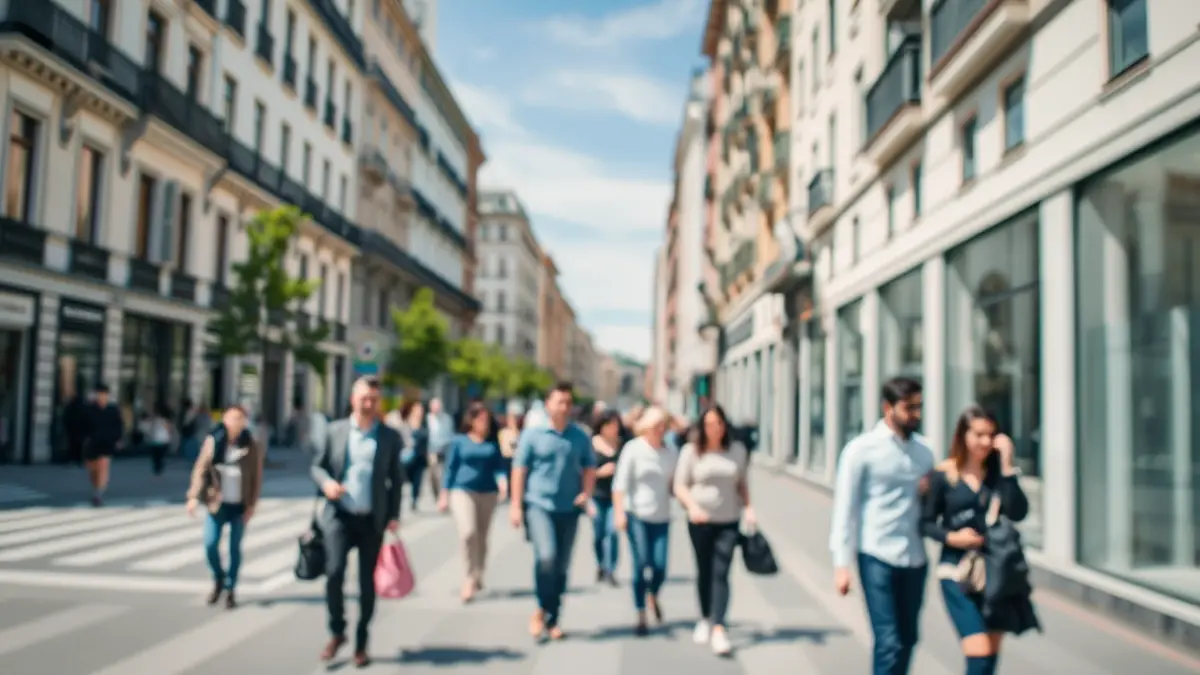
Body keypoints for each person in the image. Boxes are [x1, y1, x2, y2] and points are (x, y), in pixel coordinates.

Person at [829, 377, 934, 675]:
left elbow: (933, 508)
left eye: (919, 407)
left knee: (908, 639)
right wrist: (841, 564)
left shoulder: (925, 452)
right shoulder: (861, 450)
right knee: (888, 641)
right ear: (887, 407)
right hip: (876, 555)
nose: (915, 414)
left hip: (914, 557)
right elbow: (845, 508)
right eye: (908, 407)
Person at [922, 406, 1038, 675]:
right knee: (979, 649)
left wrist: (1008, 465)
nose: (986, 442)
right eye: (979, 435)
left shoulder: (998, 476)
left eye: (991, 435)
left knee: (991, 652)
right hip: (957, 573)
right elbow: (925, 522)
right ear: (963, 435)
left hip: (996, 574)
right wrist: (952, 537)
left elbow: (1018, 511)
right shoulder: (944, 475)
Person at [311, 377, 404, 668]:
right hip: (339, 515)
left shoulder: (389, 437)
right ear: (353, 399)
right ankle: (337, 631)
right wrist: (326, 483)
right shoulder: (335, 431)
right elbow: (317, 465)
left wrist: (393, 516)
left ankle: (361, 641)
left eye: (374, 400)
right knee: (334, 572)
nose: (368, 404)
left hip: (371, 520)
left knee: (367, 584)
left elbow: (396, 480)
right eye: (364, 398)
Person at [509, 382, 596, 640]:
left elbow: (590, 466)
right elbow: (519, 470)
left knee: (561, 566)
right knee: (546, 557)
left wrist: (586, 493)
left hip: (569, 508)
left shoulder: (579, 436)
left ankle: (553, 617)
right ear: (548, 404)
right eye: (560, 401)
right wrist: (516, 505)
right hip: (539, 506)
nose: (565, 407)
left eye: (568, 402)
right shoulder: (533, 435)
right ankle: (540, 607)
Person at [673, 403, 754, 656]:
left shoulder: (737, 451)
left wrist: (749, 507)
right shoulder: (691, 452)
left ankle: (719, 626)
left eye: (718, 423)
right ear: (702, 427)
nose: (714, 429)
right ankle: (705, 617)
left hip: (728, 520)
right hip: (700, 521)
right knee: (704, 570)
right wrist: (693, 506)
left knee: (721, 571)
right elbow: (680, 486)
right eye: (709, 424)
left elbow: (741, 483)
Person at [185, 405, 263, 608]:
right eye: (232, 418)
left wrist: (252, 505)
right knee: (210, 544)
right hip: (216, 503)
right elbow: (201, 468)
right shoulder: (214, 440)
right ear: (225, 420)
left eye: (240, 418)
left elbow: (256, 476)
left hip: (239, 503)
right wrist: (193, 496)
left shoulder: (250, 444)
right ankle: (218, 578)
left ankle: (230, 588)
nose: (236, 422)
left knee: (234, 548)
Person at [613, 406, 678, 636]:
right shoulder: (633, 449)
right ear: (648, 427)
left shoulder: (670, 452)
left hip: (661, 516)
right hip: (637, 514)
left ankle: (653, 594)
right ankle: (641, 613)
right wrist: (620, 513)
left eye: (664, 426)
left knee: (659, 566)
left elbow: (674, 484)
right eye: (657, 426)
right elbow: (620, 484)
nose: (661, 430)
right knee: (641, 564)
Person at [439, 402, 508, 602]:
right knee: (468, 533)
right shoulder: (459, 441)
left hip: (488, 493)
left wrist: (503, 483)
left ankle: (479, 572)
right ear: (471, 420)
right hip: (462, 491)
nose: (483, 423)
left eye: (486, 420)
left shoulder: (493, 444)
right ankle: (468, 577)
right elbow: (450, 469)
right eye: (480, 419)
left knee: (482, 536)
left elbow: (500, 467)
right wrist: (444, 494)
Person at [589, 410, 623, 585]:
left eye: (616, 425)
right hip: (596, 495)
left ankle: (610, 568)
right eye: (609, 425)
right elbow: (584, 470)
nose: (613, 429)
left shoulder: (622, 445)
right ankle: (601, 563)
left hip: (616, 496)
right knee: (598, 533)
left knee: (612, 532)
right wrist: (600, 472)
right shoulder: (592, 444)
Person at [82, 384, 123, 507]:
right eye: (99, 395)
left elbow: (119, 425)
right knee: (93, 469)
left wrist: (118, 439)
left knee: (104, 465)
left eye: (104, 395)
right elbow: (82, 424)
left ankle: (98, 493)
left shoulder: (112, 409)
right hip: (92, 442)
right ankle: (95, 487)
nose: (102, 397)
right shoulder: (90, 409)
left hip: (107, 441)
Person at [387, 400, 428, 511]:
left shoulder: (425, 423)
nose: (420, 412)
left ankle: (414, 500)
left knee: (417, 482)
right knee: (402, 480)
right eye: (417, 409)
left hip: (419, 458)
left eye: (421, 409)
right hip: (406, 457)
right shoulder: (405, 422)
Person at [426, 397, 454, 503]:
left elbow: (450, 433)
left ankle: (442, 495)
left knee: (442, 473)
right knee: (433, 474)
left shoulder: (447, 419)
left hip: (445, 448)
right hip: (432, 450)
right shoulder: (427, 419)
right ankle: (436, 494)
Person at [147, 405, 173, 478]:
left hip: (157, 441)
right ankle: (158, 470)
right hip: (161, 441)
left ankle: (157, 470)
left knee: (157, 457)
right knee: (158, 457)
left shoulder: (157, 421)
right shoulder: (162, 421)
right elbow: (169, 430)